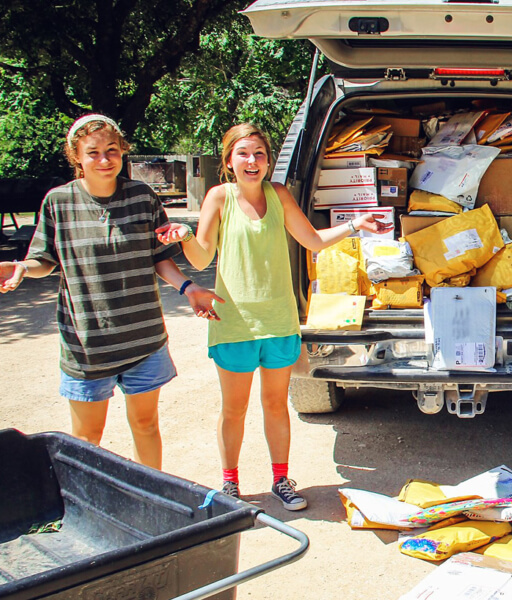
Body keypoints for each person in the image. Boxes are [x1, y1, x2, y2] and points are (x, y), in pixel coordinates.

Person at [157, 123, 391, 510]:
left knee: (275, 405)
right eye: (244, 154)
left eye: (260, 154)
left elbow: (312, 240)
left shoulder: (278, 194)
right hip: (232, 323)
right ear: (229, 160)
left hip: (279, 321)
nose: (253, 161)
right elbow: (201, 257)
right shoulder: (219, 198)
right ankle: (230, 484)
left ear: (268, 160)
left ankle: (281, 480)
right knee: (234, 409)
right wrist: (184, 234)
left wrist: (355, 224)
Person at [0, 114, 221, 471]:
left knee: (145, 425)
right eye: (93, 152)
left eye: (112, 150)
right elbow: (43, 259)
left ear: (123, 151)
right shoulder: (58, 202)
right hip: (87, 346)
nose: (104, 159)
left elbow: (158, 258)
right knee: (88, 437)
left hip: (143, 340)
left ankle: (150, 498)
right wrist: (21, 269)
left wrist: (189, 288)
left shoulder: (142, 197)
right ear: (76, 156)